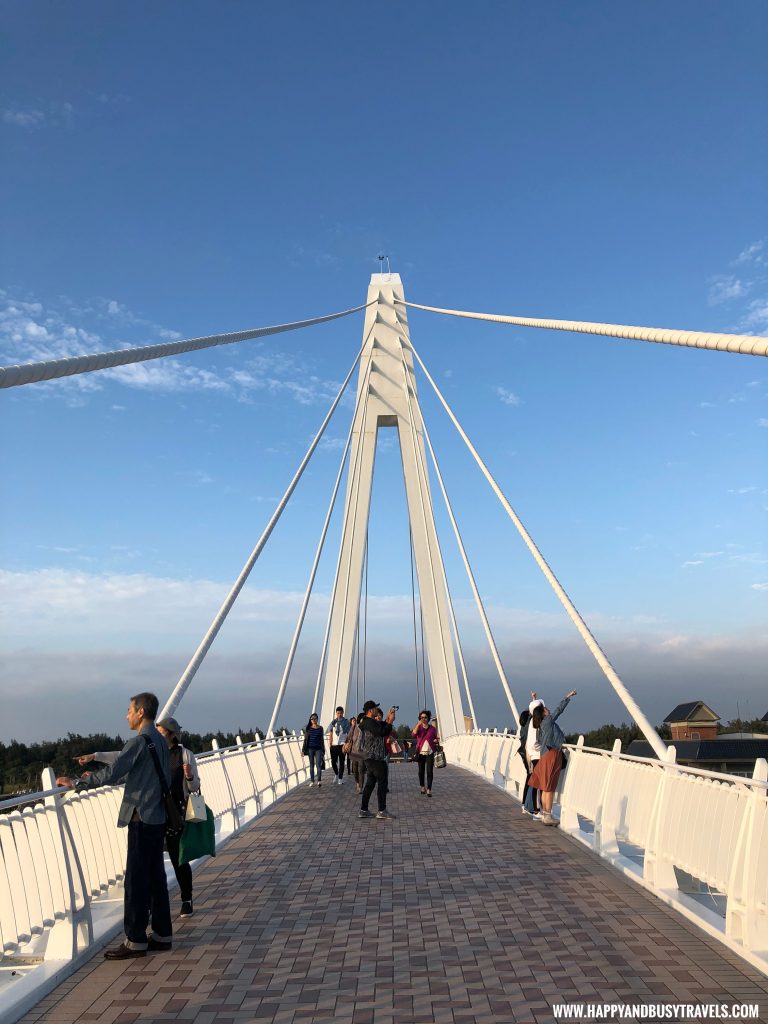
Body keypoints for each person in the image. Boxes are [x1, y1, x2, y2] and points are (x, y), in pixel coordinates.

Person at [56, 692, 173, 959]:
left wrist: (77, 783)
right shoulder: (159, 741)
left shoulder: (140, 741)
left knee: (136, 881)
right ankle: (162, 935)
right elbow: (138, 769)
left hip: (141, 818)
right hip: (157, 817)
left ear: (141, 712)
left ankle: (135, 941)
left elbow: (114, 772)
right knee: (156, 878)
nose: (126, 714)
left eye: (130, 709)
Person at [157, 717, 200, 917]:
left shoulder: (185, 755)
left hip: (176, 813)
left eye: (160, 731)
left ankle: (186, 899)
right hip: (155, 813)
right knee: (152, 861)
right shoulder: (153, 754)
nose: (156, 734)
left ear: (172, 734)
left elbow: (194, 787)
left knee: (178, 859)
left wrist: (189, 776)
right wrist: (96, 756)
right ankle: (154, 903)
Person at [529, 690, 577, 826]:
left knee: (545, 787)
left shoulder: (540, 726)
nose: (547, 709)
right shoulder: (548, 721)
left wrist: (534, 698)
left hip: (544, 755)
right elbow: (559, 710)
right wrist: (567, 697)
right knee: (549, 788)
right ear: (543, 713)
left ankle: (545, 814)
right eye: (545, 708)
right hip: (552, 755)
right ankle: (548, 816)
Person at [358, 700, 396, 820]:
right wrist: (390, 722)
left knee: (370, 784)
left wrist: (388, 720)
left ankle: (363, 810)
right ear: (370, 711)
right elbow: (382, 732)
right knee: (382, 782)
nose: (377, 710)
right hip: (375, 757)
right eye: (375, 708)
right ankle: (382, 810)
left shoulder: (368, 722)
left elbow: (380, 727)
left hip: (370, 758)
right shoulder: (369, 722)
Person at [523, 692, 544, 817]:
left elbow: (532, 709)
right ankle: (536, 810)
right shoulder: (536, 724)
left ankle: (534, 808)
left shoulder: (531, 722)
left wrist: (533, 698)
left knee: (535, 782)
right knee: (537, 783)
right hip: (537, 756)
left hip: (532, 756)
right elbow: (534, 743)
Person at [412, 709, 439, 797]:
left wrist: (435, 740)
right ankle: (422, 786)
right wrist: (418, 724)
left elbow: (436, 738)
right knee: (421, 771)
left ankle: (429, 789)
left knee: (429, 771)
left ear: (428, 718)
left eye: (425, 717)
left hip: (430, 752)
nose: (423, 719)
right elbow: (413, 734)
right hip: (421, 753)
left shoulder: (432, 729)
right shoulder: (419, 727)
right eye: (421, 717)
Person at [327, 706, 351, 786]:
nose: (339, 714)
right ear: (336, 713)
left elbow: (348, 734)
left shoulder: (346, 722)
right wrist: (330, 743)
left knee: (341, 762)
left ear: (343, 713)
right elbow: (330, 732)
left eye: (340, 713)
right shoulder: (333, 722)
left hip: (342, 745)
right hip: (333, 745)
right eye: (338, 713)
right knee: (333, 762)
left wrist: (346, 743)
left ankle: (340, 778)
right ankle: (336, 774)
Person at [348, 712, 367, 793]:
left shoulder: (366, 728)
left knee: (361, 770)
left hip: (362, 753)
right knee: (355, 771)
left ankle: (361, 787)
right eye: (362, 718)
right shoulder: (355, 727)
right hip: (354, 752)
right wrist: (352, 726)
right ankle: (357, 782)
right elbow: (349, 737)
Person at [303, 714, 325, 787]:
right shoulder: (308, 728)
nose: (313, 720)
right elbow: (305, 740)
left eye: (315, 718)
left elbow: (322, 740)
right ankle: (312, 781)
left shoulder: (320, 728)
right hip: (310, 749)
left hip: (318, 748)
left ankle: (319, 781)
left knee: (318, 765)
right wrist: (303, 750)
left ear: (317, 719)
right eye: (312, 719)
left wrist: (323, 750)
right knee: (311, 765)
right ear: (310, 720)